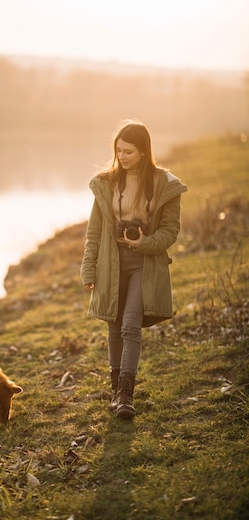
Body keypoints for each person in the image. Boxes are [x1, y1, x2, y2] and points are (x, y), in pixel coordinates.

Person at [80, 120, 188, 419]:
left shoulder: (164, 184)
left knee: (130, 326)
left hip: (145, 264)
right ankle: (116, 391)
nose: (122, 156)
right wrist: (89, 270)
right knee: (113, 325)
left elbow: (170, 231)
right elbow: (94, 233)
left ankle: (126, 396)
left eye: (128, 151)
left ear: (143, 151)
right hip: (112, 265)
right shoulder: (107, 182)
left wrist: (144, 242)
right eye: (118, 150)